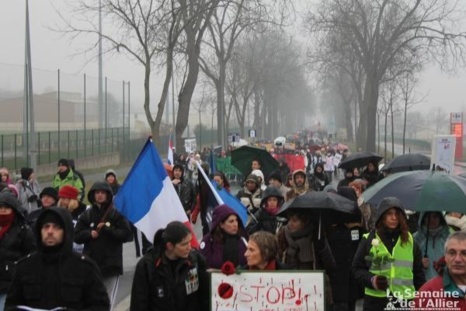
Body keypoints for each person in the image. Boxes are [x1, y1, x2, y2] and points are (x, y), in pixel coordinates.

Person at [5, 207, 110, 310]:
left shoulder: (85, 267)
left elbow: (101, 306)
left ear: (66, 231)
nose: (50, 231)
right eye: (46, 226)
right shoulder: (25, 266)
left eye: (56, 227)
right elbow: (11, 305)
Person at [351, 197, 425, 311]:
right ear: (382, 216)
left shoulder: (410, 240)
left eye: (397, 214)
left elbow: (419, 273)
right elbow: (356, 269)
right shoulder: (369, 239)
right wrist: (372, 280)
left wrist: (422, 300)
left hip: (404, 301)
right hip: (376, 302)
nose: (394, 217)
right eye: (389, 214)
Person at [74, 181, 133, 310]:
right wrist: (89, 234)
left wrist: (108, 229)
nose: (100, 195)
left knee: (107, 301)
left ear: (108, 195)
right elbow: (77, 235)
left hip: (111, 265)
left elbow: (126, 234)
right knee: (92, 299)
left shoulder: (115, 214)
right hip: (92, 265)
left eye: (102, 193)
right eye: (97, 193)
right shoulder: (87, 214)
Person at [130, 221, 209, 311]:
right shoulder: (147, 266)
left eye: (189, 242)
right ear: (170, 246)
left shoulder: (196, 260)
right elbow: (138, 304)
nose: (189, 247)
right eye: (184, 244)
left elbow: (205, 298)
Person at [0, 191, 36, 309]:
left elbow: (31, 255)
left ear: (14, 208)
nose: (3, 210)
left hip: (11, 283)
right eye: (0, 207)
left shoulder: (23, 230)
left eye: (7, 207)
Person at [413, 231, 466, 310]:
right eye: (452, 253)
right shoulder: (429, 293)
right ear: (445, 256)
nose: (457, 259)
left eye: (464, 253)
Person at [199, 204, 248, 269]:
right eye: (231, 221)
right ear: (221, 224)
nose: (235, 224)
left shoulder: (243, 239)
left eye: (236, 220)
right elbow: (204, 265)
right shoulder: (209, 240)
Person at [413, 212, 451, 281]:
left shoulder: (449, 238)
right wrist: (419, 263)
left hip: (445, 284)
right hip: (423, 284)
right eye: (428, 217)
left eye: (435, 217)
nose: (432, 220)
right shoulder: (415, 239)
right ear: (423, 219)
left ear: (440, 219)